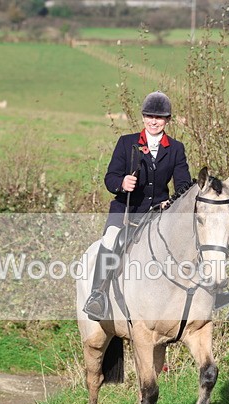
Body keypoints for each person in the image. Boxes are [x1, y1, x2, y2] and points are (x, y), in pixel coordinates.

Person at [82, 91, 192, 321]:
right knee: (110, 240)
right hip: (125, 212)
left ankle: (205, 294)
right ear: (143, 117)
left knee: (191, 241)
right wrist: (122, 183)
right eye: (150, 116)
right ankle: (98, 296)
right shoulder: (126, 143)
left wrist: (170, 202)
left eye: (159, 118)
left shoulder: (176, 149)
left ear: (167, 120)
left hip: (158, 216)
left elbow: (183, 185)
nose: (154, 121)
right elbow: (110, 178)